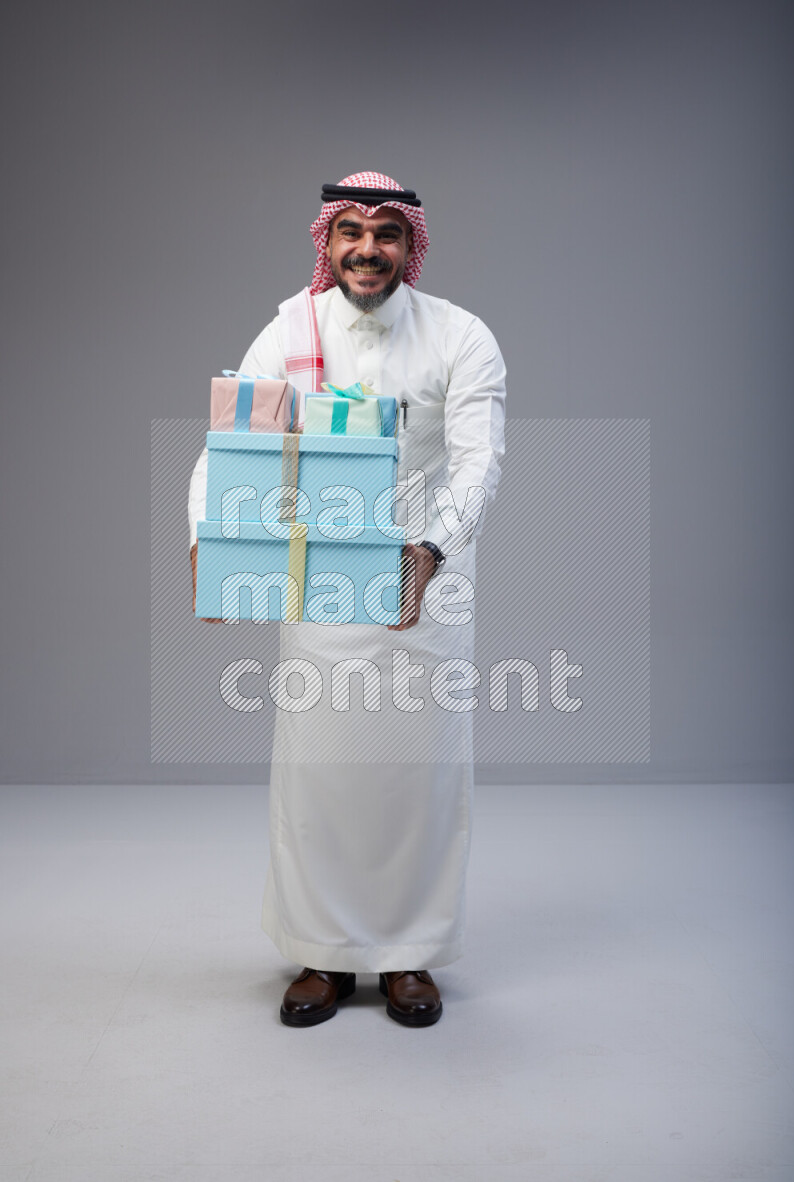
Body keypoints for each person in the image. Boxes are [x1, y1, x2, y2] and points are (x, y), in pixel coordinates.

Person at [188, 172, 506, 1027]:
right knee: (320, 770)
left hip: (424, 579)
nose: (368, 249)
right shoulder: (291, 330)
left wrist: (431, 550)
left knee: (419, 772)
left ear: (412, 246)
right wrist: (208, 538)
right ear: (327, 244)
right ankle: (320, 956)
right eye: (351, 233)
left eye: (387, 233)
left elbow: (478, 462)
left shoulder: (461, 336)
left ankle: (410, 958)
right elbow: (233, 444)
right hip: (319, 568)